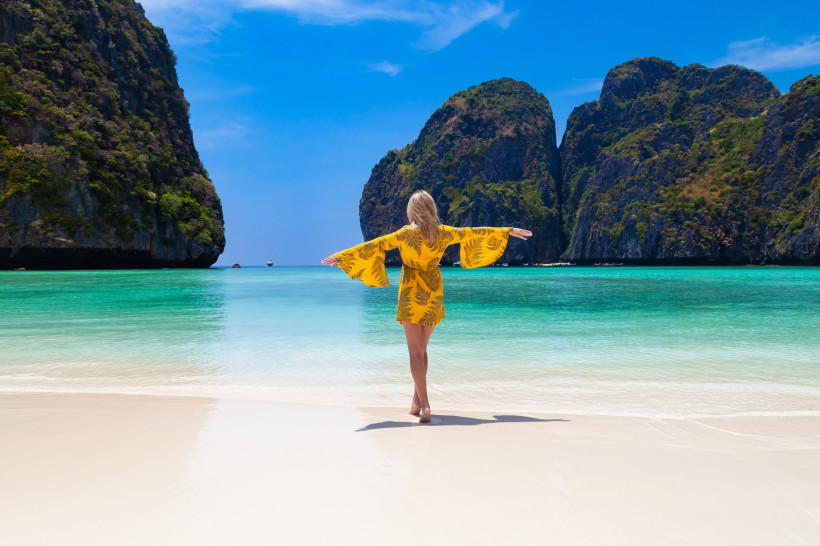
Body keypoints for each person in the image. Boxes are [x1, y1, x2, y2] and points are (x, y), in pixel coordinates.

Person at [322, 190, 531, 423]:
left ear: (412, 210)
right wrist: (506, 231)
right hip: (433, 291)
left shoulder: (406, 234)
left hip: (411, 292)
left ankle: (426, 405)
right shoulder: (443, 232)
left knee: (415, 351)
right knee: (422, 349)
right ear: (432, 208)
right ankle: (416, 402)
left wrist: (343, 256)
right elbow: (474, 232)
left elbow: (376, 244)